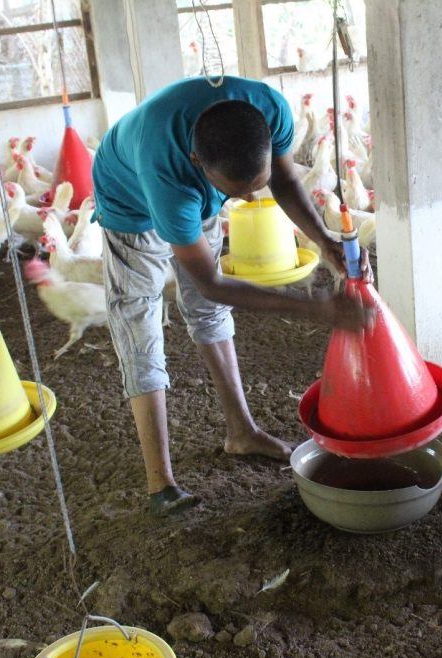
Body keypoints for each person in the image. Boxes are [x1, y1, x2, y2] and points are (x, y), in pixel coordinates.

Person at [92, 75, 374, 517]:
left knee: (210, 313)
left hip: (191, 189)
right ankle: (160, 483)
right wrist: (315, 309)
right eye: (234, 192)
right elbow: (210, 282)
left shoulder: (269, 109)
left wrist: (324, 239)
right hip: (129, 200)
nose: (245, 198)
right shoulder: (168, 177)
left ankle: (242, 432)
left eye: (250, 187)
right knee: (140, 320)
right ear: (197, 162)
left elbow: (281, 180)